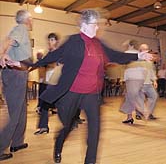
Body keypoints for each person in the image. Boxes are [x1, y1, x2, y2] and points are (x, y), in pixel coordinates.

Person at [6, 9, 154, 164]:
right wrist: (23, 64)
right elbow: (51, 57)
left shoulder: (98, 44)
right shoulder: (73, 41)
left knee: (95, 130)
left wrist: (139, 55)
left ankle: (90, 161)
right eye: (94, 24)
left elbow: (116, 55)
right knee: (68, 126)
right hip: (72, 92)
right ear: (84, 25)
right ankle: (58, 144)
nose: (97, 27)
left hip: (92, 95)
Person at [0, 10, 32, 161]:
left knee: (21, 110)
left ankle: (17, 142)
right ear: (27, 19)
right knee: (14, 111)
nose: (32, 22)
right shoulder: (21, 28)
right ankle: (0, 148)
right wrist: (2, 54)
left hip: (19, 73)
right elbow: (9, 40)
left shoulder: (22, 30)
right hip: (15, 74)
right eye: (31, 19)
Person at [120, 40, 147, 123]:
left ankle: (138, 111)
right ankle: (133, 115)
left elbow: (123, 62)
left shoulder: (127, 52)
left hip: (131, 78)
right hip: (140, 78)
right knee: (134, 96)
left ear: (130, 45)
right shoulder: (139, 54)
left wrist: (123, 78)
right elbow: (144, 67)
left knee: (130, 97)